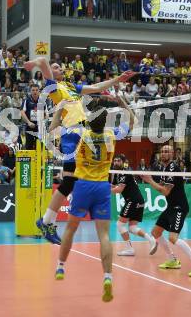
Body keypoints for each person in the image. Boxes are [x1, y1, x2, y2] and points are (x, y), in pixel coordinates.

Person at [24, 56, 136, 244]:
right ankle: (47, 221)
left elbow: (97, 88)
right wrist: (35, 63)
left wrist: (118, 79)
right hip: (72, 133)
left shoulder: (69, 87)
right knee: (69, 181)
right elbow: (44, 61)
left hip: (82, 133)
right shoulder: (53, 88)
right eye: (56, 67)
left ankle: (46, 221)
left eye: (59, 67)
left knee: (69, 182)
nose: (59, 69)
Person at [56, 97, 135, 303]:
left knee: (71, 229)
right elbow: (133, 121)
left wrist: (62, 108)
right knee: (104, 236)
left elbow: (57, 128)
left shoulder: (82, 134)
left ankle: (60, 266)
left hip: (82, 185)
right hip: (102, 187)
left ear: (90, 121)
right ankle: (107, 277)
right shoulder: (111, 134)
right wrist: (124, 103)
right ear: (105, 122)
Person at [141, 145, 191, 277]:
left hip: (179, 207)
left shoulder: (172, 168)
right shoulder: (164, 169)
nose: (164, 153)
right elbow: (162, 188)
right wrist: (150, 180)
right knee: (155, 232)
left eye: (167, 151)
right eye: (162, 151)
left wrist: (149, 180)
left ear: (172, 154)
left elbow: (165, 191)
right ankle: (172, 260)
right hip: (170, 207)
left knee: (173, 238)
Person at [111, 154, 156, 256]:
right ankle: (151, 240)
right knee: (132, 228)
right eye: (115, 161)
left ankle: (129, 249)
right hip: (139, 200)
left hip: (133, 200)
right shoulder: (117, 173)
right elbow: (113, 185)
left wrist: (104, 190)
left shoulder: (124, 172)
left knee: (120, 224)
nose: (116, 163)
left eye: (118, 161)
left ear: (123, 162)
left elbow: (118, 190)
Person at [20, 84, 42, 150]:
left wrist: (42, 122)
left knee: (39, 147)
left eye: (36, 90)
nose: (35, 92)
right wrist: (29, 122)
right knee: (29, 147)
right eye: (33, 90)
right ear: (30, 91)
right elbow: (22, 112)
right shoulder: (27, 100)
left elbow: (46, 114)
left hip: (40, 128)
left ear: (39, 91)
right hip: (29, 127)